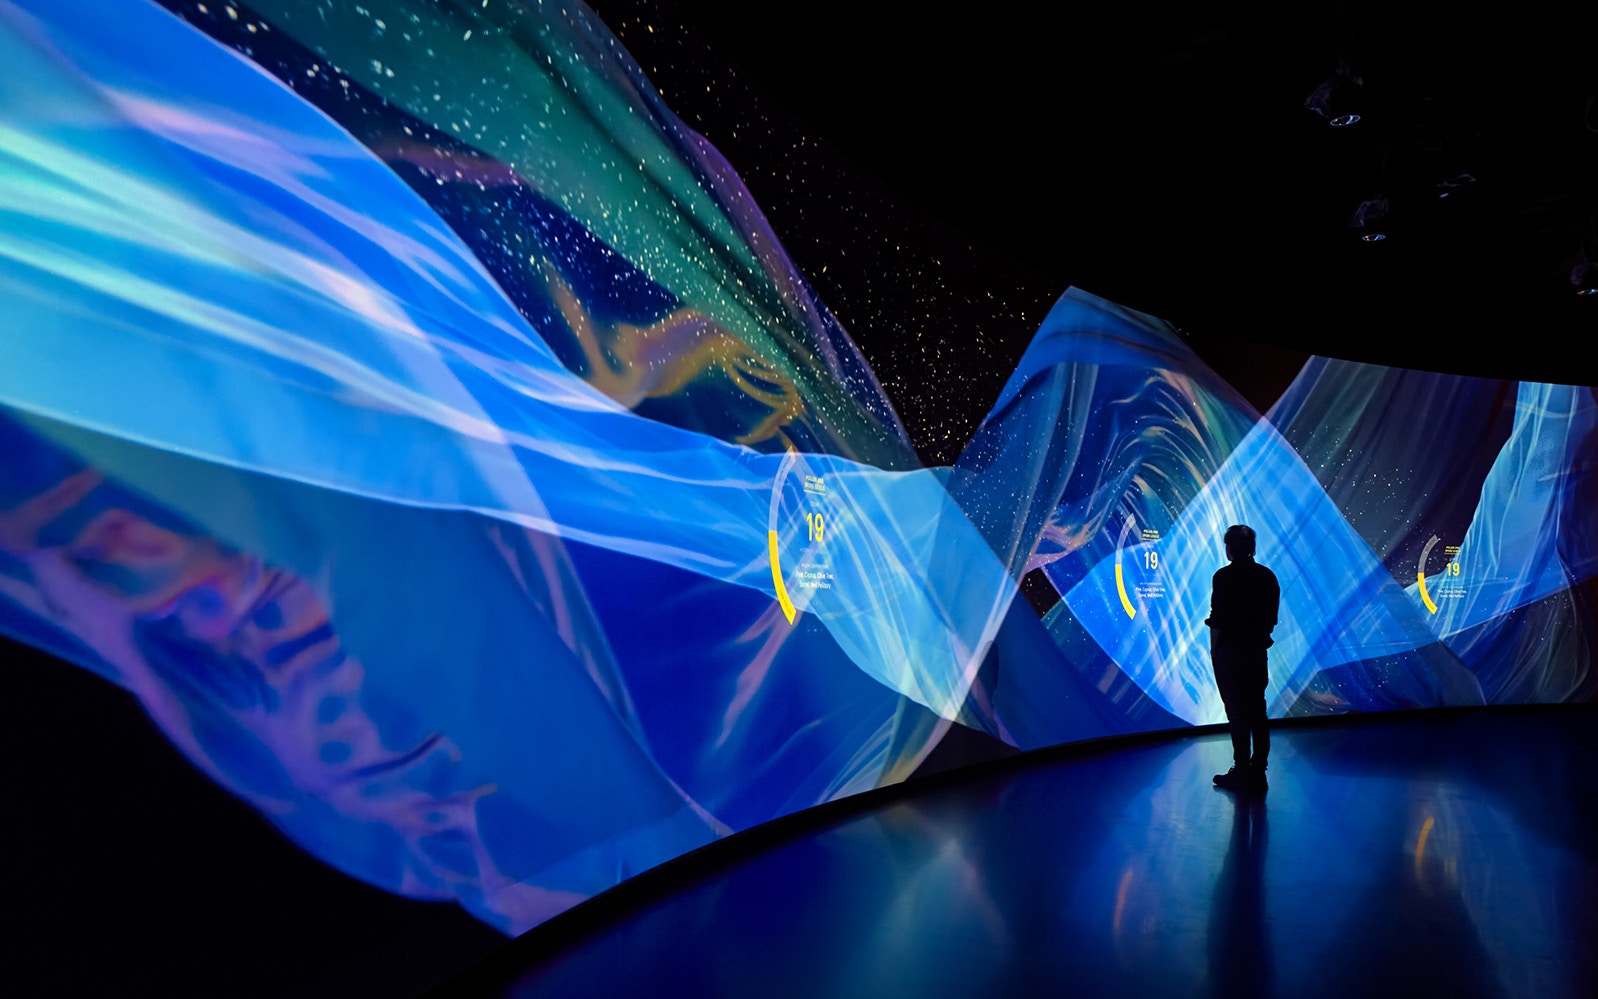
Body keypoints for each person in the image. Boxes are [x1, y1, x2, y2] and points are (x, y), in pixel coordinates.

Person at [1206, 524, 1279, 791]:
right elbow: (1271, 618)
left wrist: (1215, 652)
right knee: (1257, 710)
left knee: (1236, 713)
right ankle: (1258, 770)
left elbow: (1217, 618)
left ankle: (1241, 769)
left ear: (1231, 548)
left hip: (1229, 653)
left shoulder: (1223, 577)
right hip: (1256, 653)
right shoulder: (1267, 576)